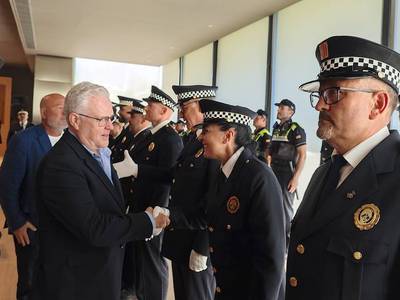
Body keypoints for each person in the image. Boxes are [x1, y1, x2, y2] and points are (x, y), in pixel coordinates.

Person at [286, 36, 400, 300]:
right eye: (320, 94)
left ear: (378, 104)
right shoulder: (325, 173)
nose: (319, 105)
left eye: (333, 93)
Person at [33, 82, 170, 300]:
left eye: (111, 118)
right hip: (77, 284)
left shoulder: (99, 154)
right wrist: (148, 222)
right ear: (75, 120)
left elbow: (110, 210)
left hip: (99, 275)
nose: (110, 125)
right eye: (102, 119)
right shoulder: (61, 164)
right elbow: (93, 227)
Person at [115, 85, 219, 300]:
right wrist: (136, 170)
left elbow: (212, 201)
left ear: (204, 107)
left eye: (185, 106)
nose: (181, 112)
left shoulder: (212, 147)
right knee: (183, 291)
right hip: (179, 229)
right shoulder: (193, 141)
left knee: (196, 293)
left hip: (194, 234)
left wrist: (202, 246)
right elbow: (174, 176)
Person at [196, 99, 285, 299]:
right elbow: (207, 213)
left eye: (207, 131)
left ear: (228, 135)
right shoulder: (225, 171)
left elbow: (271, 257)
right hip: (228, 287)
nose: (201, 137)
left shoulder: (258, 177)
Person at [115, 85, 183, 300]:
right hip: (140, 205)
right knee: (141, 260)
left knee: (153, 263)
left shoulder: (170, 138)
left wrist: (158, 211)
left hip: (153, 208)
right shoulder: (151, 136)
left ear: (164, 111)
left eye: (151, 105)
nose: (146, 108)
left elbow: (169, 178)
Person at [0, 93, 67, 300]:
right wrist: (18, 222)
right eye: (59, 107)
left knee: (57, 283)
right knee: (29, 284)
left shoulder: (72, 141)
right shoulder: (24, 140)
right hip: (31, 228)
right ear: (44, 112)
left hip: (63, 229)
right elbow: (6, 186)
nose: (65, 112)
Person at [120, 99, 152, 300]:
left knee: (149, 263)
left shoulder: (158, 138)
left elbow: (166, 180)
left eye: (133, 115)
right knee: (134, 254)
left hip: (148, 207)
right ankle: (131, 287)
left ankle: (135, 290)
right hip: (133, 201)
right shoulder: (135, 137)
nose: (129, 119)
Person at [269, 99, 306, 247]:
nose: (278, 110)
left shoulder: (297, 129)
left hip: (287, 172)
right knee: (272, 205)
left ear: (291, 112)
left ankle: (284, 247)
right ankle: (274, 240)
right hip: (274, 170)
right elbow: (270, 151)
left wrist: (296, 178)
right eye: (278, 108)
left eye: (282, 108)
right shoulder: (276, 128)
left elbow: (302, 155)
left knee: (285, 210)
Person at [110, 95, 135, 162]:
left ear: (131, 111)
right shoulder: (125, 129)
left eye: (122, 109)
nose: (118, 112)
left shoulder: (132, 132)